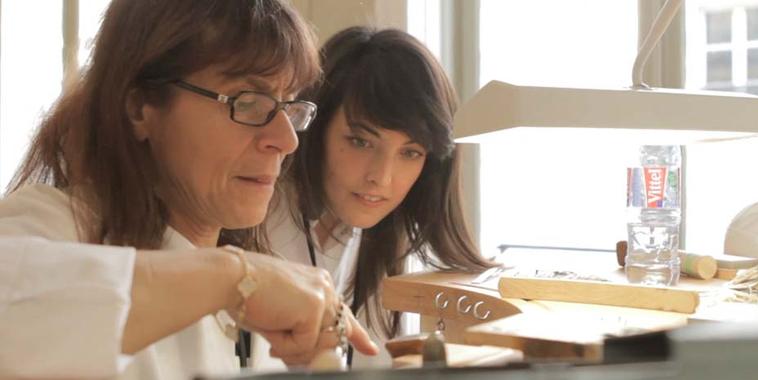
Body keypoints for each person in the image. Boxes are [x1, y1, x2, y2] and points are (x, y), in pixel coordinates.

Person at [0, 1, 377, 379]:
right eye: (248, 102)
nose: (285, 139)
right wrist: (236, 279)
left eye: (288, 106)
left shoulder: (264, 304)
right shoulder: (53, 226)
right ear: (140, 108)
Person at [265, 26, 495, 369]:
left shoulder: (386, 241)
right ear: (317, 126)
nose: (381, 178)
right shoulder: (259, 215)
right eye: (361, 142)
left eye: (411, 153)